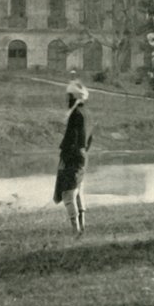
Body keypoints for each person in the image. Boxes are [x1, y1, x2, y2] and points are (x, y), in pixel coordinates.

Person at [53, 82, 93, 235]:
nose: (67, 99)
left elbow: (72, 139)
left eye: (69, 96)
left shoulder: (76, 114)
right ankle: (82, 228)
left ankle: (76, 231)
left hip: (73, 156)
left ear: (74, 97)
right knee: (78, 191)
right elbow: (90, 138)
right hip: (83, 155)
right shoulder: (87, 113)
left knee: (68, 194)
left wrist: (67, 156)